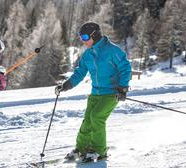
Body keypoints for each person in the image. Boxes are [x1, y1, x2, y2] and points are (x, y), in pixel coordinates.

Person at [55, 22, 132, 162]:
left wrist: (123, 87)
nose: (83, 41)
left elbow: (125, 67)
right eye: (81, 37)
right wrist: (67, 85)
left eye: (85, 37)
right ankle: (81, 148)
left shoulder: (112, 50)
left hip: (111, 92)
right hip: (95, 93)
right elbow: (80, 72)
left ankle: (99, 150)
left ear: (94, 35)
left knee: (97, 117)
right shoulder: (88, 54)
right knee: (88, 121)